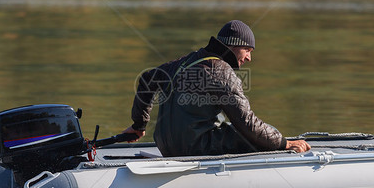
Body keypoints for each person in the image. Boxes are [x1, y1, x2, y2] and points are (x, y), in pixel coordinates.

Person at [123, 20, 311, 156]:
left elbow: (147, 80)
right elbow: (247, 123)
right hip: (194, 148)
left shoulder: (187, 60)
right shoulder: (221, 71)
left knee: (233, 127)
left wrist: (138, 125)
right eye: (248, 51)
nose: (249, 58)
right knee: (264, 132)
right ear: (234, 45)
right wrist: (284, 143)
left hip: (165, 145)